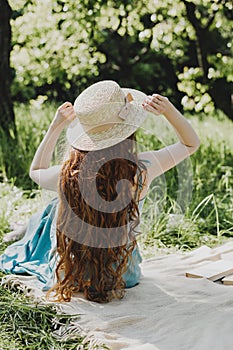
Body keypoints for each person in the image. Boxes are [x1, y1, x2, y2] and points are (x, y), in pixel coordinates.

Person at [0, 80, 200, 303]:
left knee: (56, 206)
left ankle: (27, 228)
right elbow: (190, 144)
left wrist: (55, 126)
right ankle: (26, 227)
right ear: (127, 133)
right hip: (123, 275)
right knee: (56, 207)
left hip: (71, 275)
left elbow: (36, 170)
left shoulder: (69, 173)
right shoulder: (143, 169)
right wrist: (169, 111)